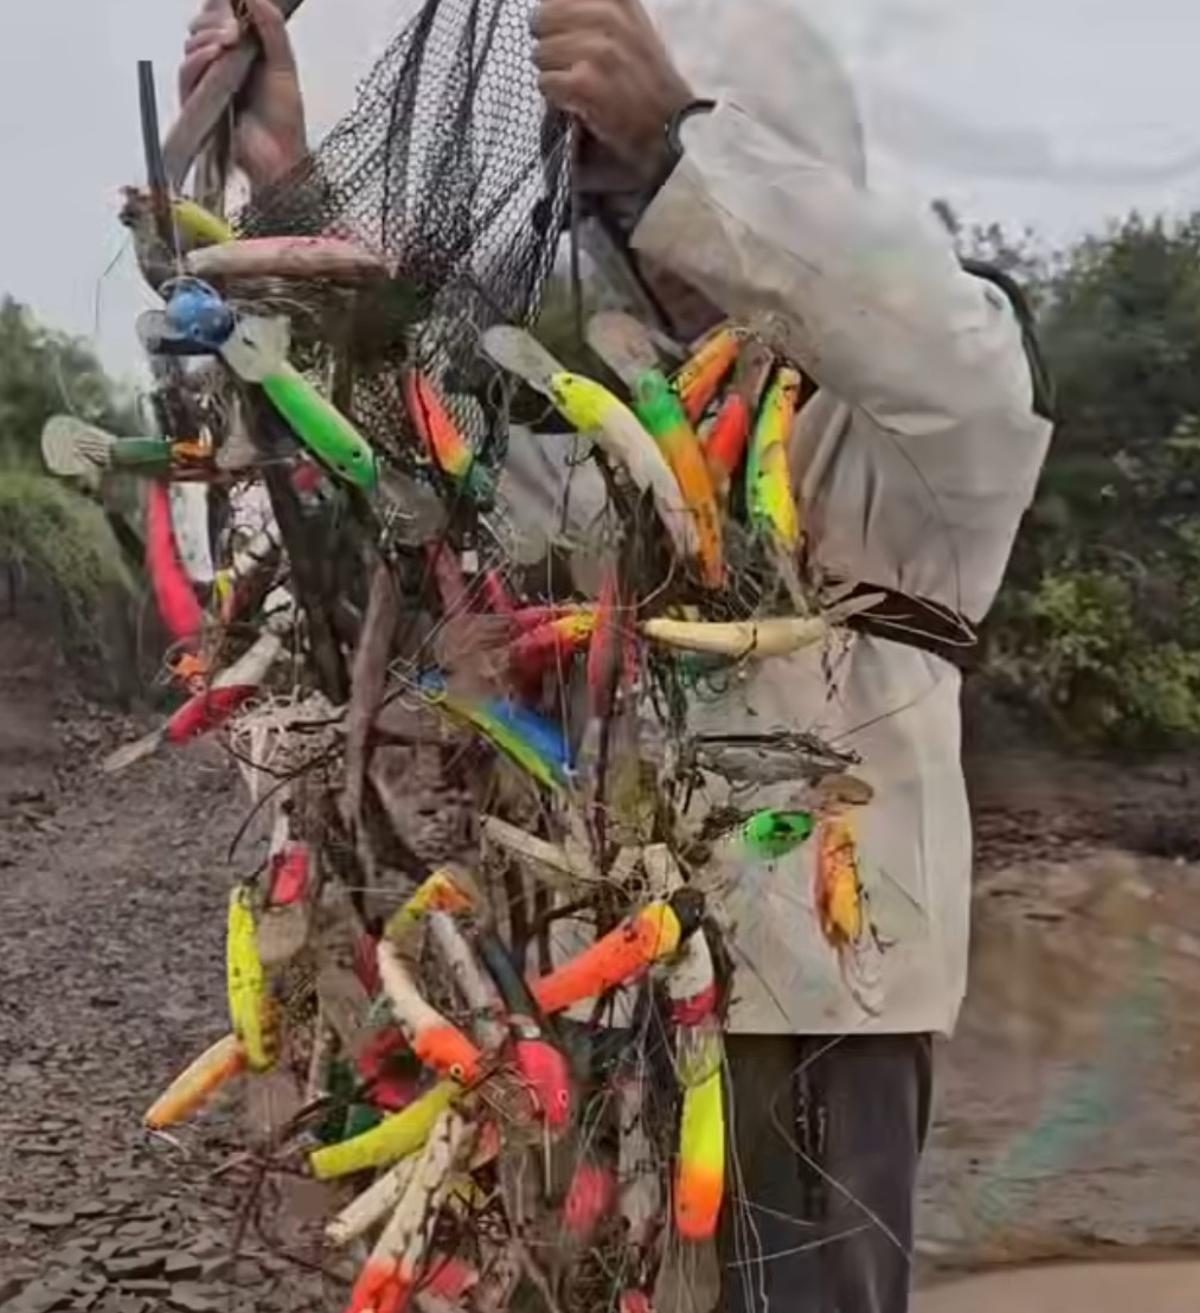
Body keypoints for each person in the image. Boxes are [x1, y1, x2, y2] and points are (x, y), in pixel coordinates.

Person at [180, 2, 1054, 1309]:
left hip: (808, 1011)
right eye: (609, 195)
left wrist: (680, 141)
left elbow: (934, 340)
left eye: (646, 179)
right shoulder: (604, 441)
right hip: (587, 1005)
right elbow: (410, 469)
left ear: (780, 160)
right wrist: (287, 183)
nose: (639, 231)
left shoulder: (923, 431)